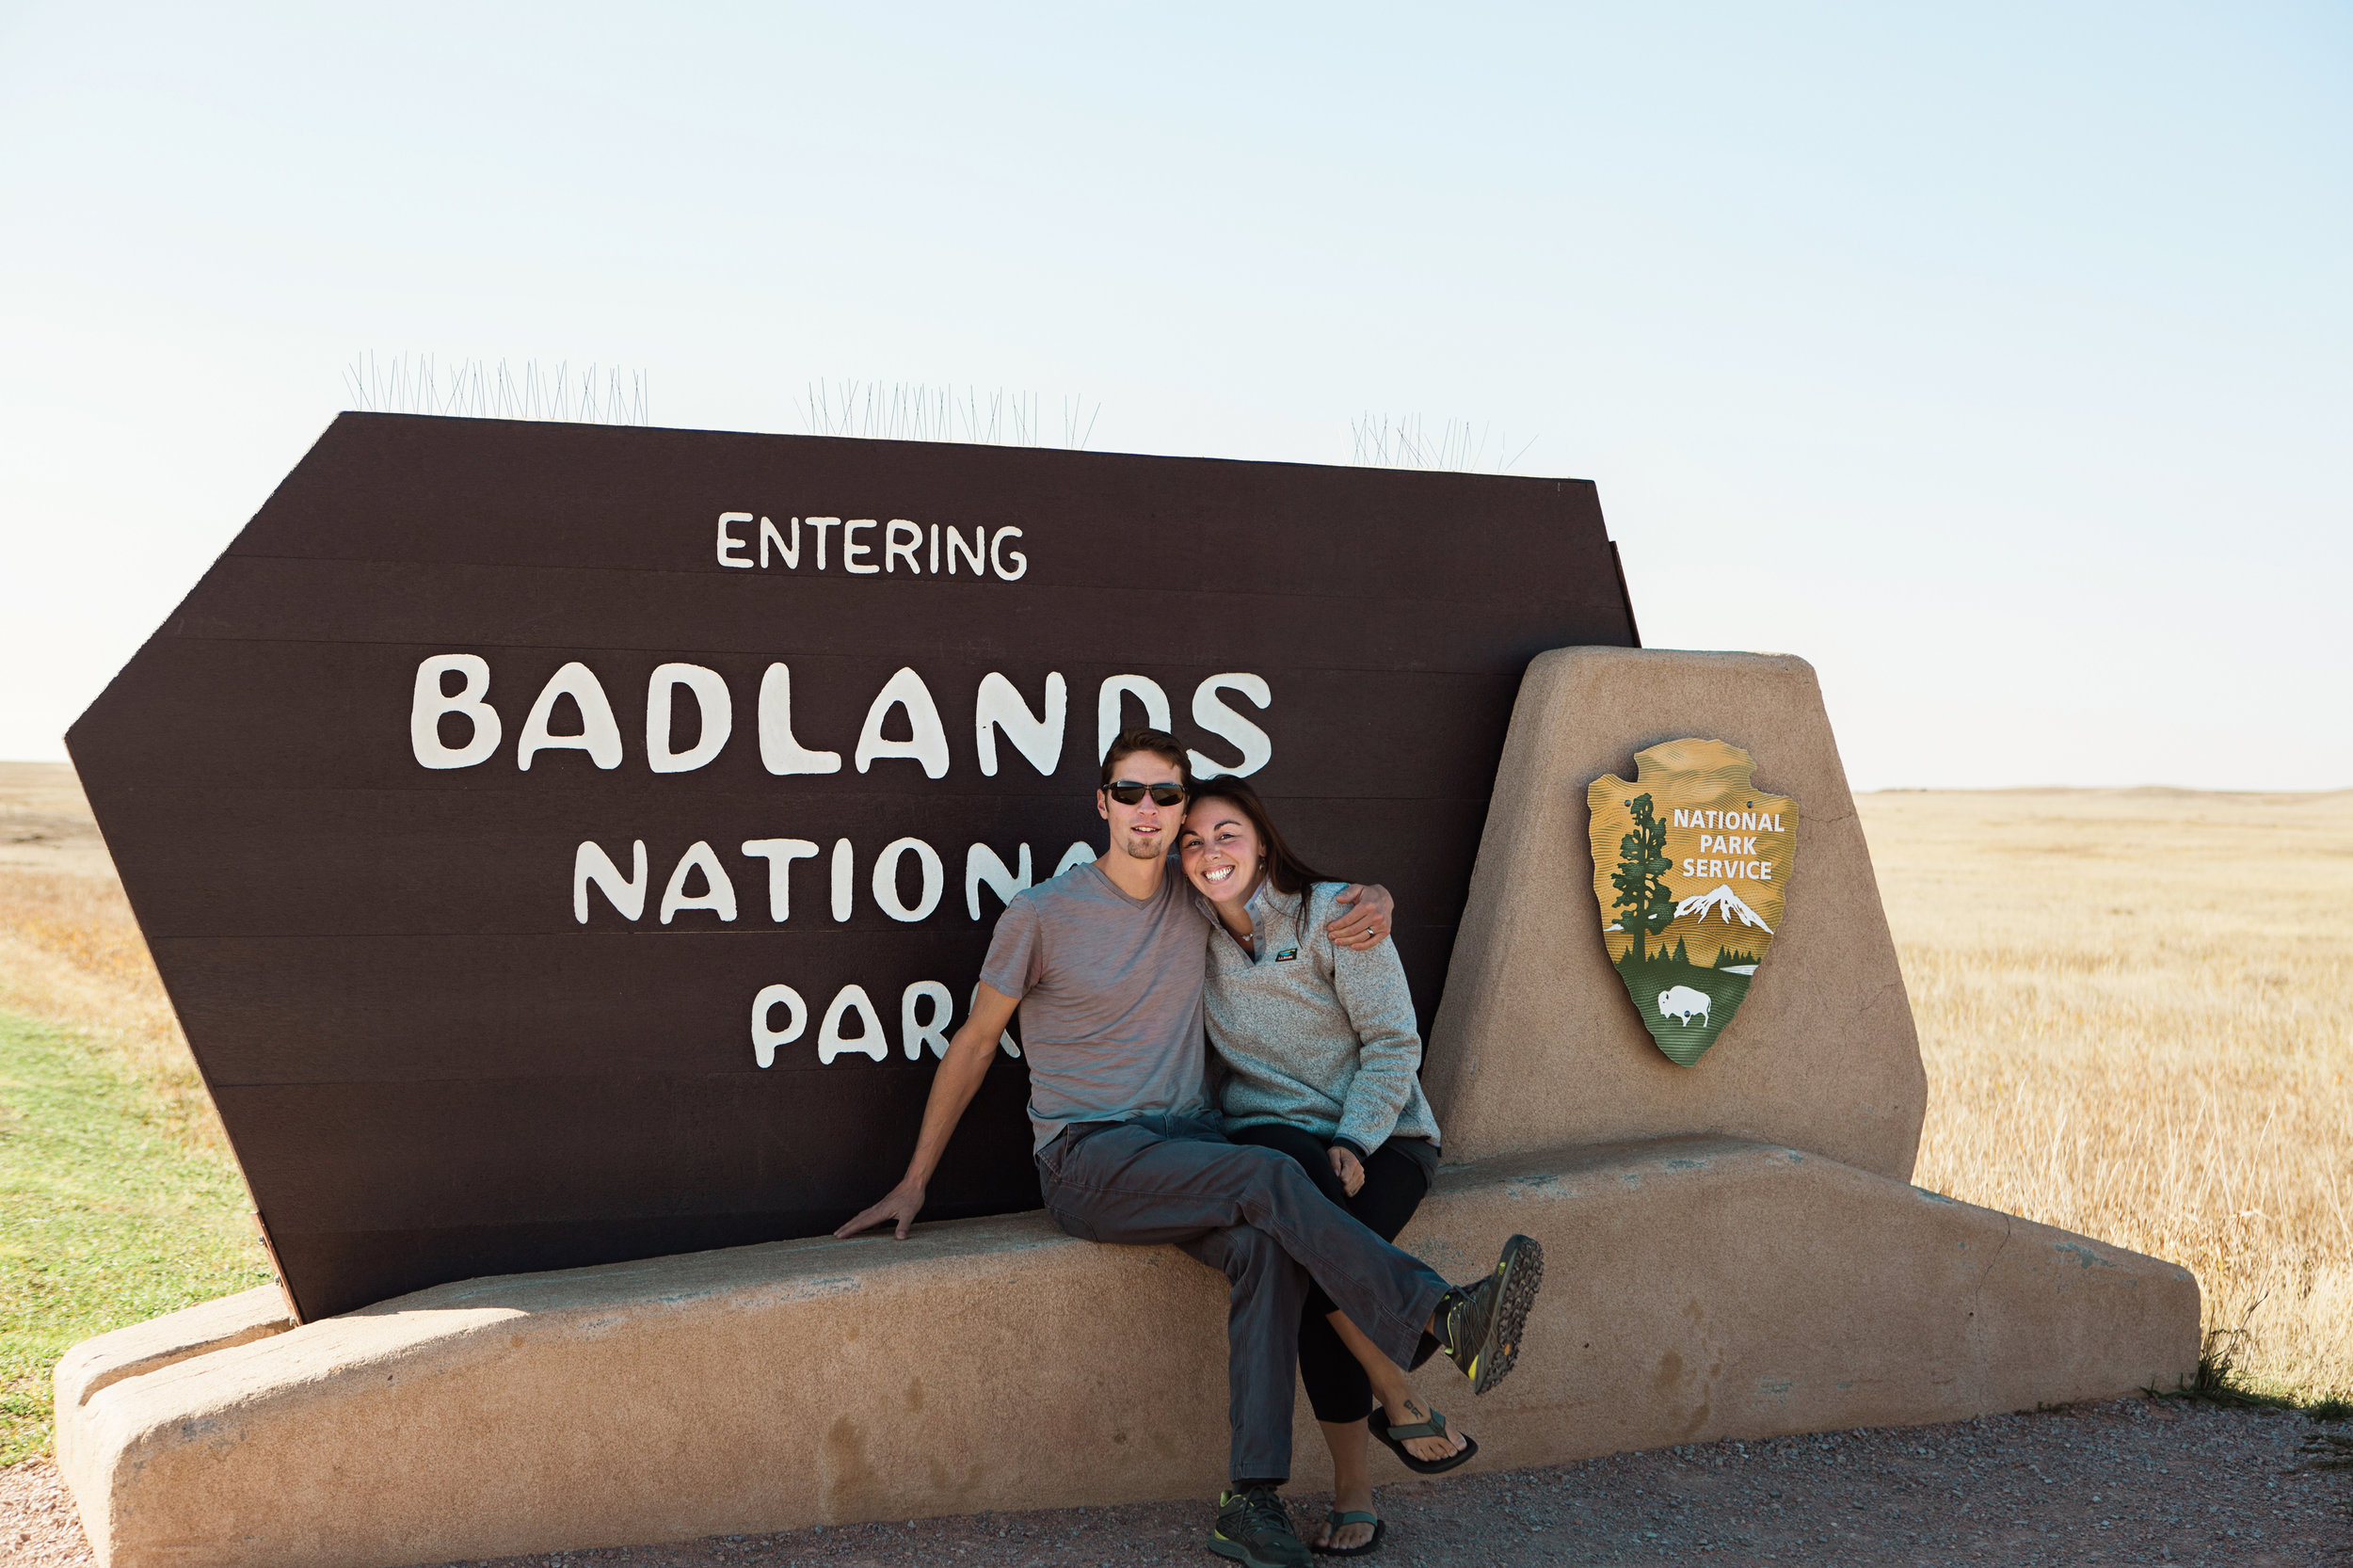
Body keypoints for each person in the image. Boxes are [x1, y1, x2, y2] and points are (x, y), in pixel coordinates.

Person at [835, 728, 1545, 1568]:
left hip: (1189, 1149)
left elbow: (1288, 888)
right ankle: (1435, 1315)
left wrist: (1372, 897)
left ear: (1179, 812)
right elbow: (976, 1043)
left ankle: (1250, 1502)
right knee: (1272, 1173)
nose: (1149, 810)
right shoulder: (1040, 915)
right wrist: (915, 1180)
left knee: (1265, 1248)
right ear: (1102, 804)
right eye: (1129, 793)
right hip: (1089, 1157)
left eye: (1165, 796)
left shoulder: (1195, 895)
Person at [1177, 776, 1460, 1558]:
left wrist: (1357, 1138)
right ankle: (1401, 1394)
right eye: (1193, 841)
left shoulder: (1337, 912)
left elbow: (1394, 1044)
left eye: (1227, 834)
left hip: (1385, 1139)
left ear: (1262, 840)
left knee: (1307, 1267)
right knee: (1290, 1171)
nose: (1211, 853)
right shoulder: (1181, 930)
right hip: (1271, 1141)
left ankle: (1357, 1490)